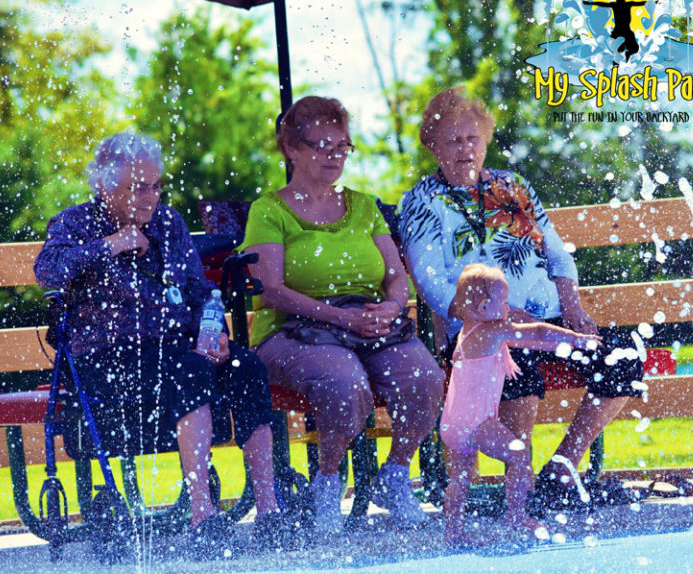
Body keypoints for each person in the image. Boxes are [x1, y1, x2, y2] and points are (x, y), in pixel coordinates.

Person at [34, 133, 291, 555]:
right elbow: (48, 271)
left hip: (177, 349)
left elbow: (198, 290)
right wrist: (111, 245)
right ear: (104, 186)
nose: (150, 197)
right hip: (108, 360)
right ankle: (202, 516)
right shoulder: (74, 224)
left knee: (246, 367)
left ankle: (269, 510)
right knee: (189, 369)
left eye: (155, 186)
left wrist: (217, 333)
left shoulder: (168, 224)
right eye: (139, 187)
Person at [399, 87, 645, 510]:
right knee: (515, 361)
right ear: (432, 144)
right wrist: (490, 315)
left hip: (551, 319)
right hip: (482, 331)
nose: (465, 148)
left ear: (486, 140)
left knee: (622, 355)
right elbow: (430, 281)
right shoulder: (421, 201)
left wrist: (572, 307)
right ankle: (524, 486)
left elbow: (556, 252)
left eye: (472, 138)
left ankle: (562, 467)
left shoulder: (513, 186)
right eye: (453, 140)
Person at [241, 96, 444, 532]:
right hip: (294, 330)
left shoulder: (363, 205)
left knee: (426, 378)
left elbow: (395, 277)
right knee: (344, 384)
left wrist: (391, 306)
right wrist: (342, 319)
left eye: (342, 146)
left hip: (368, 324)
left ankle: (395, 474)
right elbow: (271, 292)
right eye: (322, 146)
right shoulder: (269, 210)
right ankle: (328, 479)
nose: (335, 156)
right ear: (292, 149)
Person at [442, 264, 601, 545]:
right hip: (476, 422)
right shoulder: (490, 330)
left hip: (454, 422)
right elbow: (538, 331)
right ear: (482, 306)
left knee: (460, 479)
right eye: (503, 301)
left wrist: (566, 347)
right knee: (517, 455)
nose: (508, 307)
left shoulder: (473, 330)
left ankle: (454, 532)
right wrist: (576, 338)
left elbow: (534, 342)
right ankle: (515, 515)